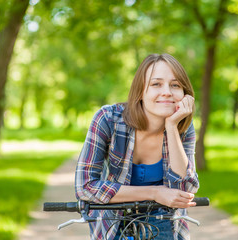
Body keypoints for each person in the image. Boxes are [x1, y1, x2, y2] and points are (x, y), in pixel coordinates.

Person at [75, 53, 199, 240]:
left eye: (175, 85)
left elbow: (184, 190)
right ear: (141, 91)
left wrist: (171, 127)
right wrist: (155, 193)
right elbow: (85, 186)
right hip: (113, 221)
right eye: (156, 84)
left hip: (164, 224)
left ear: (184, 94)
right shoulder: (108, 119)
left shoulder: (183, 127)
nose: (167, 91)